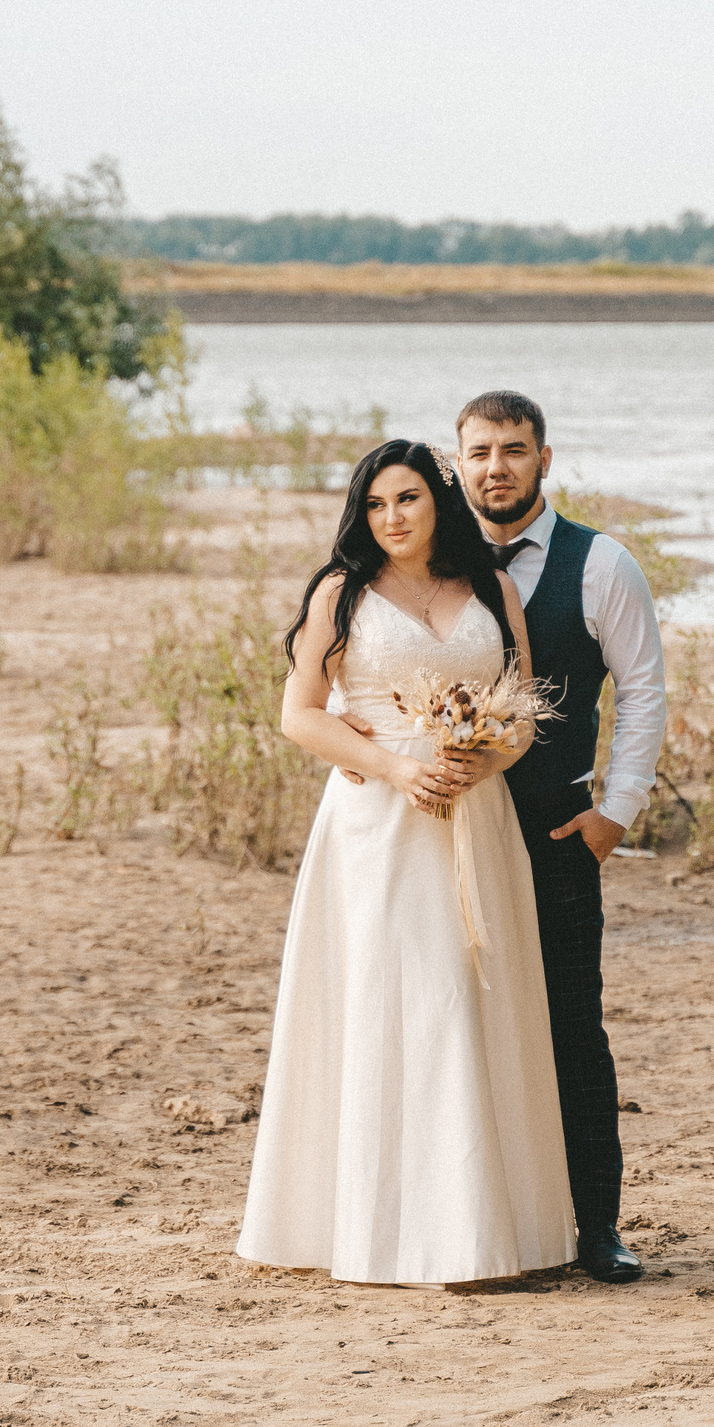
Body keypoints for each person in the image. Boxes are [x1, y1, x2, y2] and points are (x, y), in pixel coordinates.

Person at [336, 391, 667, 1283]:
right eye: (479, 452)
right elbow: (351, 686)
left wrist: (614, 815)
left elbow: (642, 693)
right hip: (429, 830)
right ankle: (469, 1218)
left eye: (513, 450)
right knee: (447, 1020)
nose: (496, 468)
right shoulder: (410, 568)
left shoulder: (602, 566)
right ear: (457, 465)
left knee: (566, 1023)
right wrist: (375, 758)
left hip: (554, 823)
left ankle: (593, 1224)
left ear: (544, 460)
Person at [235, 439, 578, 1287]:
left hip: (475, 817)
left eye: (409, 500)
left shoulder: (491, 588)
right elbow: (300, 714)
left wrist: (483, 760)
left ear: (440, 501)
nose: (392, 518)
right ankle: (380, 1232)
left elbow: (525, 715)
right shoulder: (341, 593)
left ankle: (481, 1234)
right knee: (399, 1003)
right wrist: (395, 766)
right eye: (378, 504)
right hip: (378, 827)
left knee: (470, 998)